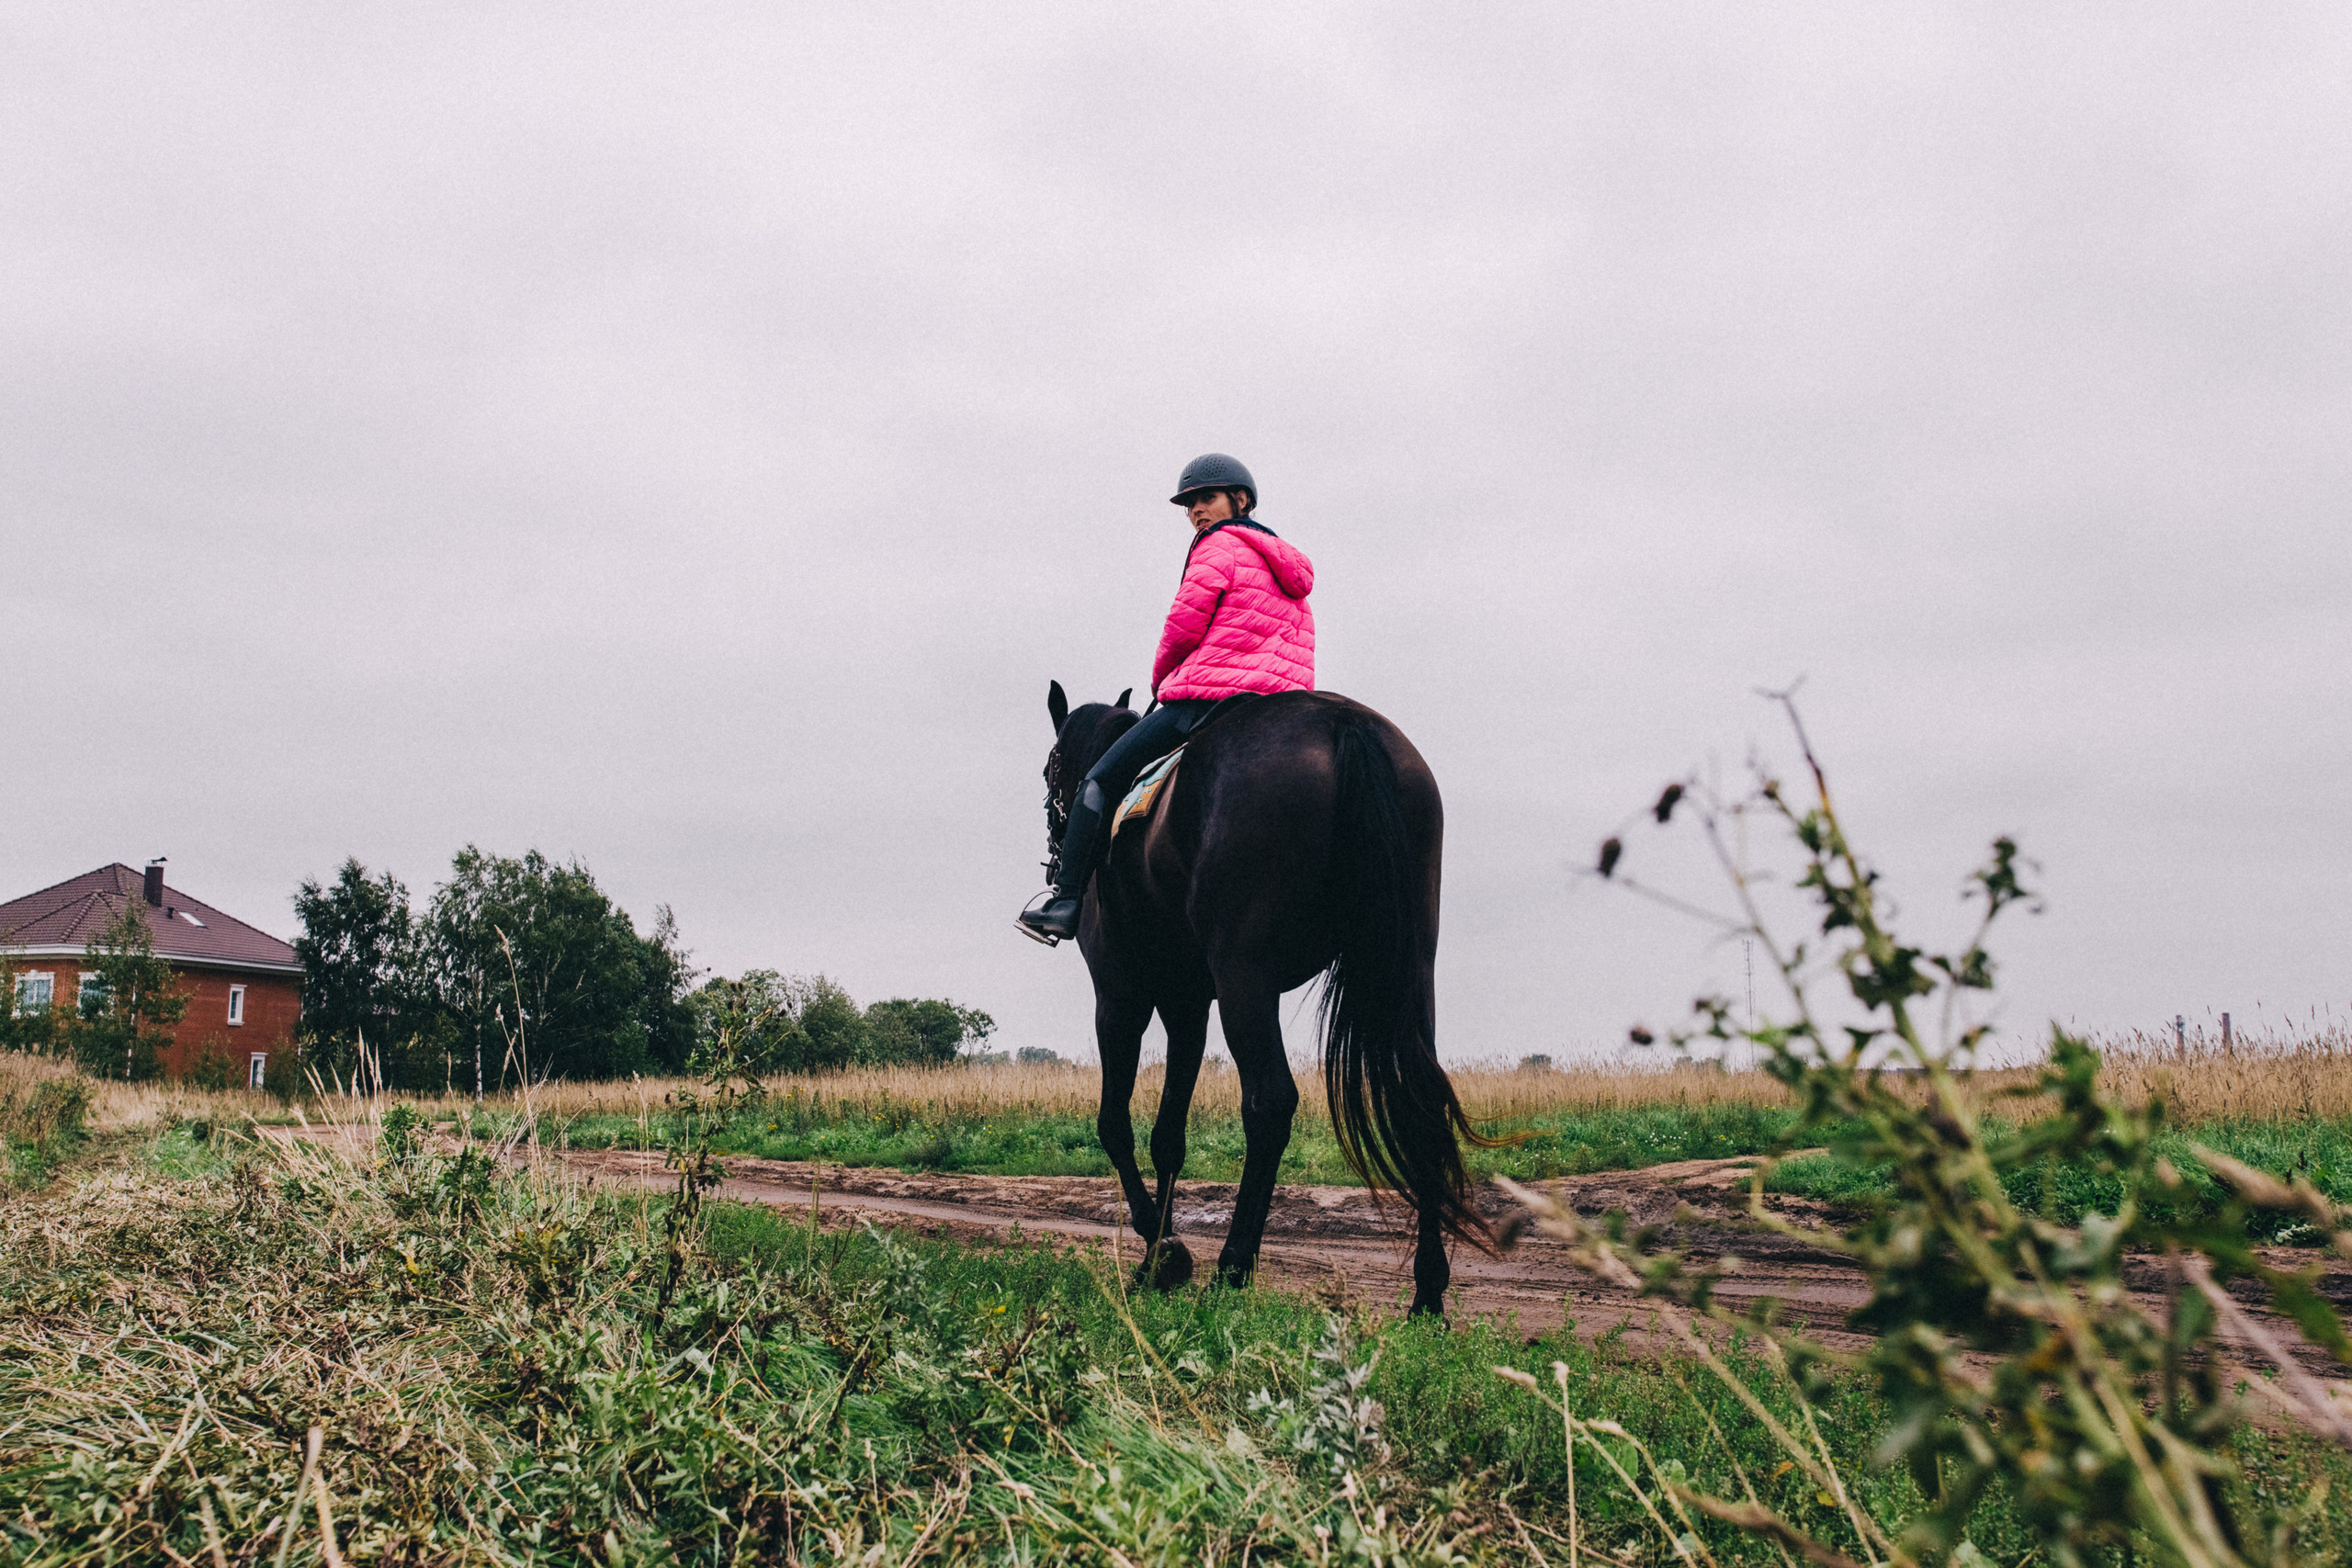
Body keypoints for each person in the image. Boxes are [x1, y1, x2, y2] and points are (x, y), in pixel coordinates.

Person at [1018, 454, 1317, 943]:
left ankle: (1066, 901)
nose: (1197, 511)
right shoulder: (1286, 564)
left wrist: (1161, 681)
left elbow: (1183, 626)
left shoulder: (1217, 546)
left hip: (1210, 697)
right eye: (1190, 504)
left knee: (1099, 779)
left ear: (1240, 500)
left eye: (1207, 498)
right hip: (1282, 701)